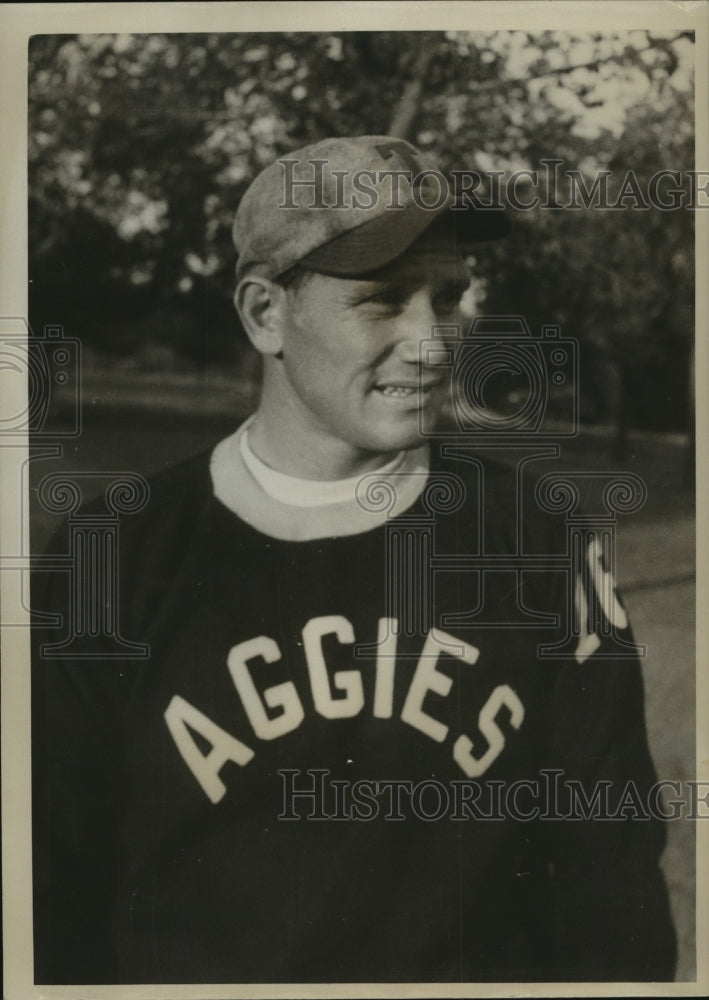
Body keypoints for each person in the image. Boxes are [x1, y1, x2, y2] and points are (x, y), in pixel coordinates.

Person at [32, 135, 677, 985]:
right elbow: (50, 898)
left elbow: (610, 885)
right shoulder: (110, 556)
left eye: (447, 297)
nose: (433, 344)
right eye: (381, 301)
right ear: (265, 313)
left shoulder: (538, 541)